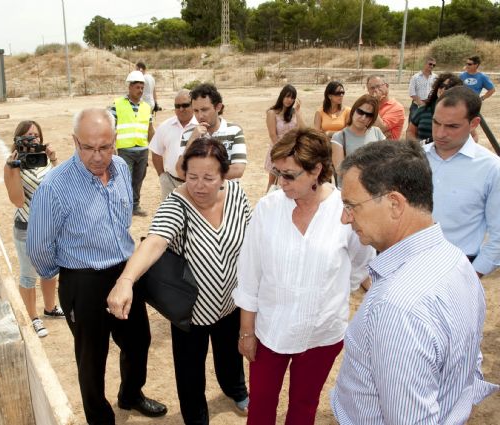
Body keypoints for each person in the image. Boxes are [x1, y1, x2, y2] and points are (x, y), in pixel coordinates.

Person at [331, 139, 498, 423]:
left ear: (395, 204)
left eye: (351, 205)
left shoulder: (396, 307)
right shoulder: (456, 262)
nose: (344, 218)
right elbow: (469, 363)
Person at [27, 108, 167, 424]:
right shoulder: (54, 187)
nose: (97, 156)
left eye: (104, 147)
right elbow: (38, 248)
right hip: (83, 281)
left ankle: (131, 395)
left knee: (138, 341)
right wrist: (66, 275)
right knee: (92, 358)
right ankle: (99, 417)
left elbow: (122, 220)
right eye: (88, 147)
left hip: (125, 274)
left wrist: (127, 274)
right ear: (75, 142)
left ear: (114, 141)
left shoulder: (119, 167)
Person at [234, 128, 374, 425]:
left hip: (321, 332)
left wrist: (325, 293)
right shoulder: (268, 209)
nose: (279, 182)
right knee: (260, 405)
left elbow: (360, 263)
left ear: (317, 171)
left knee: (304, 406)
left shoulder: (344, 211)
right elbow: (249, 273)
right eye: (277, 172)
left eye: (289, 175)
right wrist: (247, 331)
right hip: (270, 329)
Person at [108, 136, 251, 424]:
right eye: (192, 176)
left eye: (209, 177)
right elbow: (155, 242)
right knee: (190, 372)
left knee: (230, 355)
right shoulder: (176, 203)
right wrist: (126, 280)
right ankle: (196, 418)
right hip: (191, 311)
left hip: (231, 303)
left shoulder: (237, 195)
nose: (198, 185)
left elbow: (253, 241)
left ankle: (235, 389)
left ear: (224, 175)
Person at [425, 86, 500, 277]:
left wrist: (471, 277)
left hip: (458, 269)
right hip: (407, 264)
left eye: (452, 126)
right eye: (436, 123)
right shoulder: (415, 157)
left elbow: (498, 236)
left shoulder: (492, 168)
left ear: (474, 123)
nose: (440, 133)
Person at [3, 120, 64, 338]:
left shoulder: (45, 159)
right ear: (18, 139)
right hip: (26, 227)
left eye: (36, 135)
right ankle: (32, 317)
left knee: (49, 272)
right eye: (28, 136)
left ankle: (50, 307)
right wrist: (15, 170)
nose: (33, 139)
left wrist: (54, 158)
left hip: (49, 226)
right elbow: (18, 201)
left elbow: (63, 185)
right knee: (28, 276)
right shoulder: (11, 164)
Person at [176, 83, 247, 180]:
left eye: (204, 110)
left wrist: (201, 177)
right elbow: (180, 171)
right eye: (196, 111)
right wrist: (192, 140)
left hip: (228, 193)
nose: (200, 116)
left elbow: (237, 170)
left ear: (218, 107)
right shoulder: (189, 135)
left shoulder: (234, 131)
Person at [110, 70, 155, 217]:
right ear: (130, 87)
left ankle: (135, 206)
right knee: (123, 179)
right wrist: (111, 147)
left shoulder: (146, 107)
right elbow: (110, 127)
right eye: (137, 87)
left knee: (138, 179)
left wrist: (155, 147)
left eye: (142, 88)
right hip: (125, 150)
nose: (140, 91)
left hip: (142, 150)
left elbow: (150, 129)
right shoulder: (117, 105)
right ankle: (123, 207)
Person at [149, 89, 198, 200]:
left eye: (185, 105)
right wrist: (162, 176)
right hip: (170, 184)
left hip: (196, 185)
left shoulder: (202, 126)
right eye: (177, 106)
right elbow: (156, 151)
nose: (181, 109)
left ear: (193, 105)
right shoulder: (165, 126)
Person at [331, 94, 385, 177]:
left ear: (372, 118)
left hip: (374, 187)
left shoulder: (377, 133)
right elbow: (340, 170)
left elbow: (386, 161)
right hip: (349, 188)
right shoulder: (339, 137)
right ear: (353, 110)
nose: (363, 118)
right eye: (360, 112)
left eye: (369, 115)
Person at [265, 84, 305, 191]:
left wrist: (297, 112)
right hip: (277, 150)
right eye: (287, 96)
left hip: (293, 152)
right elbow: (273, 135)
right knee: (272, 182)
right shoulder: (272, 113)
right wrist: (283, 152)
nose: (289, 100)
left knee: (289, 182)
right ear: (282, 96)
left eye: (292, 98)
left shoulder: (293, 113)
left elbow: (303, 130)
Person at [406, 72, 462, 142]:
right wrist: (417, 146)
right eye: (441, 86)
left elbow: (473, 136)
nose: (443, 89)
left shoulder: (460, 114)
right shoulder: (423, 110)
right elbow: (410, 132)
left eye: (448, 87)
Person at [366, 75, 405, 139]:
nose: (375, 90)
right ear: (368, 91)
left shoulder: (397, 108)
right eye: (372, 88)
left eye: (378, 86)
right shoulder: (366, 106)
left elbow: (380, 128)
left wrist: (374, 102)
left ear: (386, 86)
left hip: (387, 147)